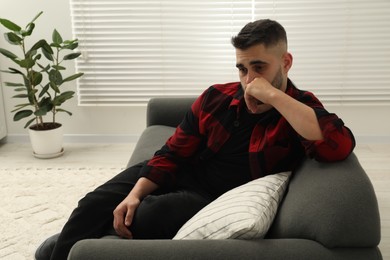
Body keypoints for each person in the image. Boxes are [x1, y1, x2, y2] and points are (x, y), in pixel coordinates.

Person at [35, 19, 355, 260]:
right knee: (94, 203)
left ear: (285, 62)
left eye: (259, 67)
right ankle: (66, 247)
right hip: (182, 170)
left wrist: (274, 95)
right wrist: (135, 193)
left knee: (148, 216)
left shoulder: (300, 110)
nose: (248, 80)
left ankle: (80, 244)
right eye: (242, 68)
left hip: (211, 195)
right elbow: (173, 153)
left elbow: (337, 145)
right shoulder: (216, 96)